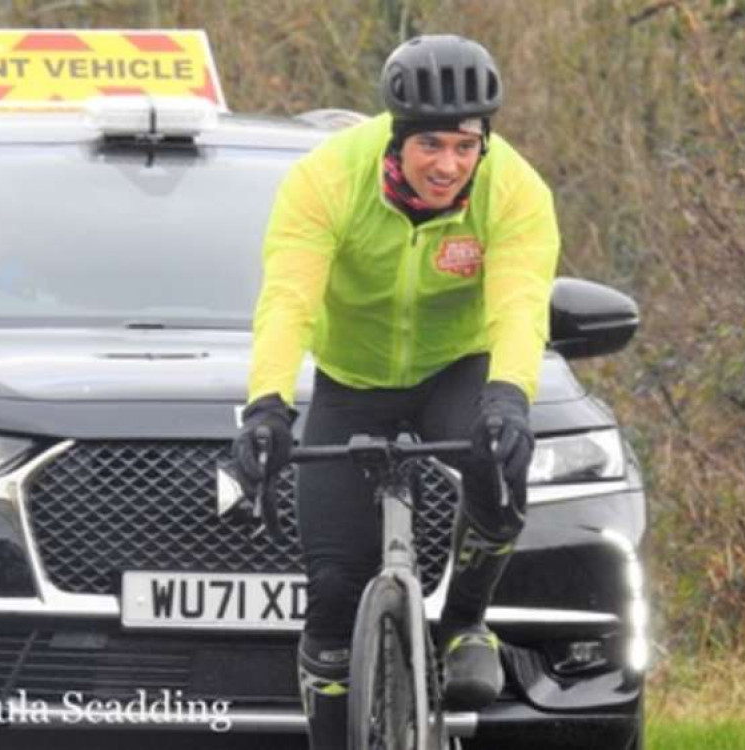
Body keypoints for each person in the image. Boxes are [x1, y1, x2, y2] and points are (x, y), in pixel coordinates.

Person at [231, 34, 560, 750]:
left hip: (457, 364)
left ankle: (465, 622)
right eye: (430, 146)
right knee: (331, 591)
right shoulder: (325, 181)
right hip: (352, 379)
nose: (448, 165)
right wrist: (268, 405)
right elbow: (286, 299)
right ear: (395, 140)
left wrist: (508, 396)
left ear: (485, 142)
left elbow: (519, 303)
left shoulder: (515, 191)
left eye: (465, 147)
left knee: (499, 466)